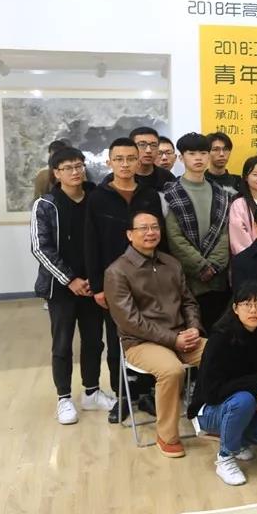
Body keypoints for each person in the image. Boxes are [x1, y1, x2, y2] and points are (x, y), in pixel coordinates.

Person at [105, 210, 205, 458]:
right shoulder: (117, 272)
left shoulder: (172, 263)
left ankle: (213, 419)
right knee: (172, 370)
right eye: (143, 228)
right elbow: (130, 321)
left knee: (220, 353)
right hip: (140, 343)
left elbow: (189, 302)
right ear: (130, 235)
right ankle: (167, 436)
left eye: (155, 227)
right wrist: (173, 340)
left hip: (181, 335)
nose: (150, 233)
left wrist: (193, 327)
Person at [85, 137, 167, 423]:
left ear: (139, 160)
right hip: (114, 281)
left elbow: (160, 237)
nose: (125, 164)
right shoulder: (98, 197)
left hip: (148, 277)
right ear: (109, 162)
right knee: (117, 339)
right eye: (119, 159)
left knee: (150, 334)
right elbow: (91, 243)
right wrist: (97, 287)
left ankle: (146, 392)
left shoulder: (149, 195)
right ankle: (122, 396)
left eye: (131, 158)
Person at [31, 146, 113, 426]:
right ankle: (64, 397)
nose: (75, 172)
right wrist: (70, 280)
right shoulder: (46, 204)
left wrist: (95, 279)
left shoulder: (95, 198)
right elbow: (41, 248)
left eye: (79, 165)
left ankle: (91, 392)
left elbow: (104, 240)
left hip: (92, 285)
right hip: (61, 289)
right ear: (56, 173)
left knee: (94, 341)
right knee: (62, 343)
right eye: (68, 168)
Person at [187, 281, 257, 485]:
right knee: (243, 400)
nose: (253, 310)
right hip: (210, 409)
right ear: (235, 308)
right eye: (246, 304)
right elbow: (211, 392)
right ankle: (225, 458)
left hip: (244, 405)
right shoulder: (221, 338)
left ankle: (238, 440)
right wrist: (252, 385)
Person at [161, 133, 232, 327]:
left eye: (203, 153)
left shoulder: (222, 194)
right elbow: (175, 238)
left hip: (218, 280)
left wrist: (214, 266)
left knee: (218, 331)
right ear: (181, 157)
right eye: (192, 153)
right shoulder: (170, 193)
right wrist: (201, 267)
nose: (198, 158)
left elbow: (225, 233)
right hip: (187, 280)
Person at [228, 156, 257, 256]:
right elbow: (239, 239)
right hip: (249, 259)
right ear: (245, 177)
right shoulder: (239, 204)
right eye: (255, 174)